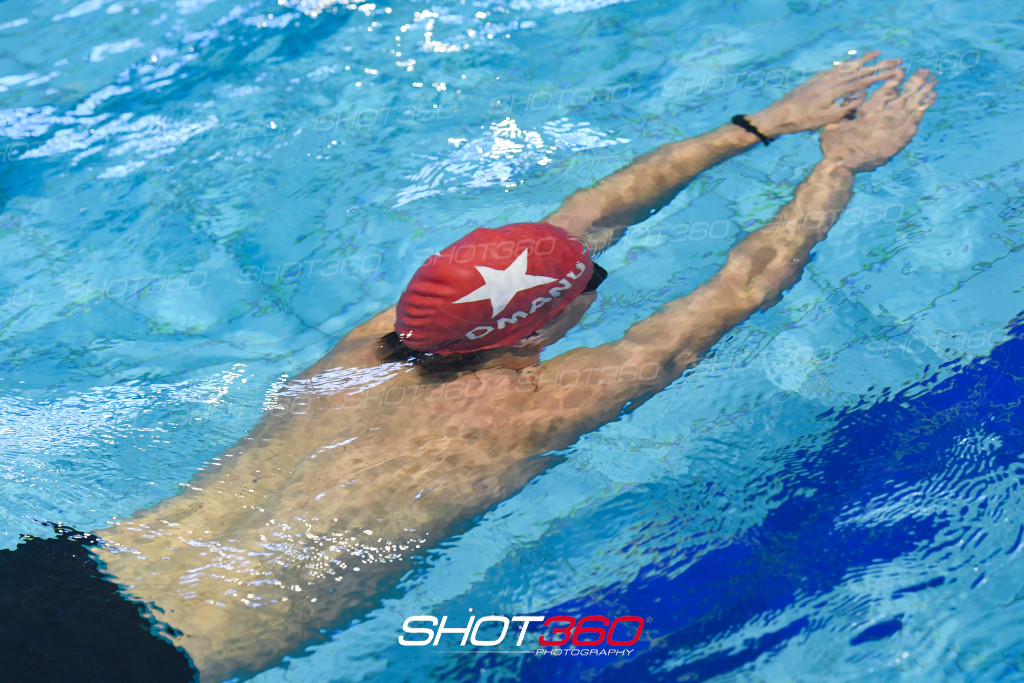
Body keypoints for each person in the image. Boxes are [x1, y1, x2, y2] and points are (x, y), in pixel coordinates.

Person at [10, 53, 936, 681]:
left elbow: (583, 217)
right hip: (154, 656)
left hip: (60, 572)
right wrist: (841, 166)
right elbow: (744, 287)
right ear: (546, 323)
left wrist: (760, 125)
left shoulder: (376, 342)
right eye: (589, 281)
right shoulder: (538, 406)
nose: (594, 271)